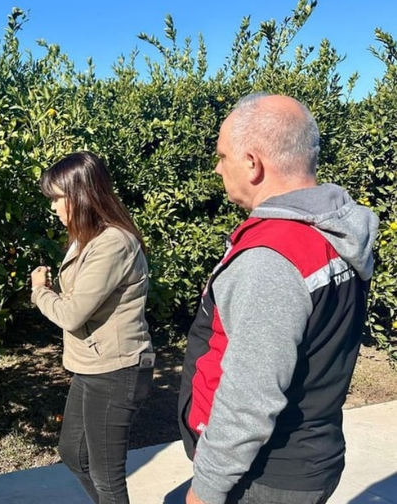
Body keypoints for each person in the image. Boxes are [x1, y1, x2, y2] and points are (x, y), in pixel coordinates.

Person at [178, 94, 379, 504]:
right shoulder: (333, 234)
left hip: (265, 475)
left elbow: (249, 397)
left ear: (252, 163)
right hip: (311, 457)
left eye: (222, 156)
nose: (218, 168)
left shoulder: (272, 257)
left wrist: (206, 490)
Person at [30, 151, 155, 504]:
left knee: (107, 476)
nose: (53, 206)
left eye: (57, 198)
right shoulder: (87, 238)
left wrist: (40, 292)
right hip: (93, 366)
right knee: (73, 453)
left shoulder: (114, 243)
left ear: (80, 195)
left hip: (118, 370)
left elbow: (71, 314)